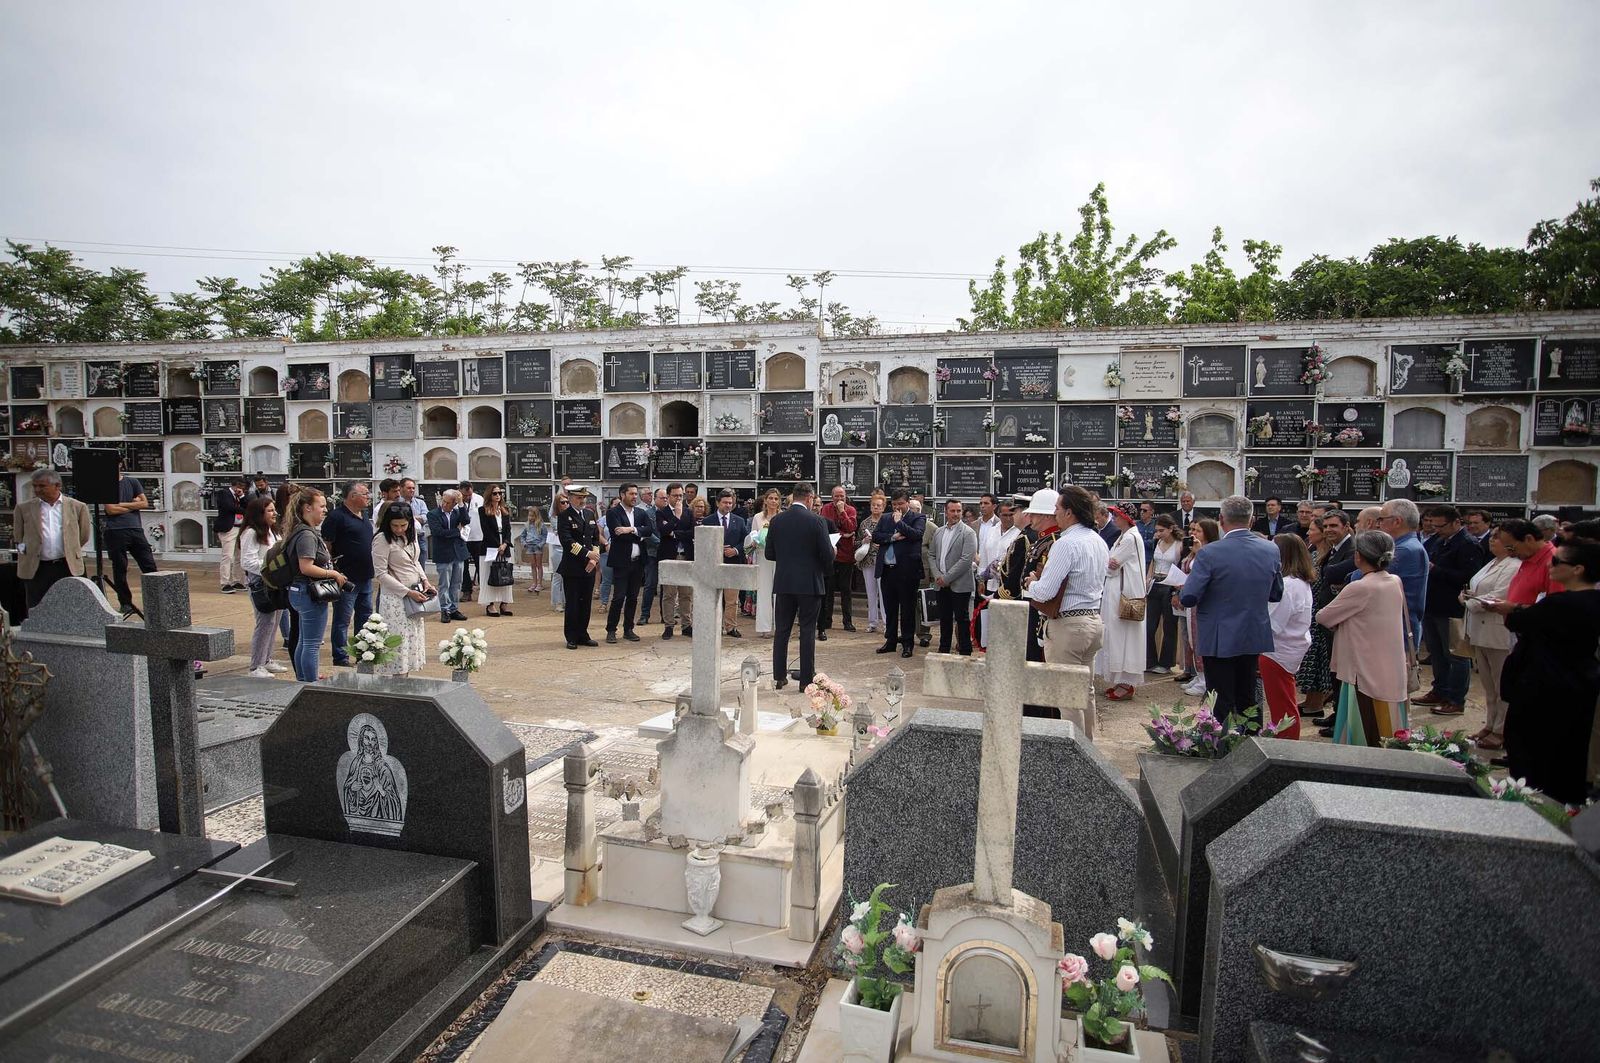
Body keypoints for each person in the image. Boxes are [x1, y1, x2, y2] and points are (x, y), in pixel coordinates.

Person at [1501, 537, 1600, 804]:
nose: (1550, 566)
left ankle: (1536, 805)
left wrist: (1513, 610)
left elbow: (1521, 621)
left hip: (1545, 687)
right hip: (1579, 685)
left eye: (1557, 561)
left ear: (1578, 569)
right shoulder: (1588, 601)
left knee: (1536, 752)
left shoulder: (1562, 605)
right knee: (1568, 751)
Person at [1179, 495, 1284, 723]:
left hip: (1219, 634)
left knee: (1219, 697)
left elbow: (1188, 597)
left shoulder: (1209, 553)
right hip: (1252, 631)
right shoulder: (1271, 550)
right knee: (1248, 696)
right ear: (1252, 520)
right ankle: (1251, 746)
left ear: (1221, 519)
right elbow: (1276, 593)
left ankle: (1218, 746)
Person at [1023, 486, 1108, 730]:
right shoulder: (1098, 540)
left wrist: (1032, 583)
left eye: (1058, 509)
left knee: (1066, 697)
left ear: (1069, 512)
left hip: (1068, 627)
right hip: (1092, 621)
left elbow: (1046, 591)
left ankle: (1075, 756)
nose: (1055, 513)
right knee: (1085, 693)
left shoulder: (1066, 544)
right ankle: (1088, 751)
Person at [1315, 531, 1410, 746]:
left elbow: (1323, 616)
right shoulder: (1394, 580)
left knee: (1365, 724)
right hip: (1389, 663)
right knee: (1389, 721)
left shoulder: (1360, 586)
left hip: (1363, 668)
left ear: (1358, 556)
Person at [1411, 505, 1485, 716]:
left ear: (1456, 523)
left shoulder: (1467, 544)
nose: (1437, 530)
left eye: (1441, 526)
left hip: (1452, 608)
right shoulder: (1438, 540)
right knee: (1436, 653)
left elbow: (1468, 577)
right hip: (1433, 605)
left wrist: (1436, 569)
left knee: (1456, 655)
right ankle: (1439, 690)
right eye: (1433, 526)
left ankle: (1455, 698)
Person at [766, 482, 834, 689]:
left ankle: (779, 676)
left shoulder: (777, 520)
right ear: (809, 498)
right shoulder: (817, 521)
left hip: (785, 582)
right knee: (807, 631)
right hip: (809, 584)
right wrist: (831, 552)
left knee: (782, 630)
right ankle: (805, 680)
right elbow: (827, 554)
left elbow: (769, 554)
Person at [1460, 526, 1520, 752]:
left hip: (1497, 631)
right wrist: (1466, 595)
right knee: (1488, 685)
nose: (1492, 541)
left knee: (1501, 683)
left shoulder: (1513, 566)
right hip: (1479, 630)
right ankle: (1490, 723)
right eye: (1492, 537)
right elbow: (1476, 587)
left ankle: (1501, 730)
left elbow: (1499, 594)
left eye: (1497, 538)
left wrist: (1469, 602)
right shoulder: (1491, 563)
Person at [283, 487, 347, 683]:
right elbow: (306, 567)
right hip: (308, 593)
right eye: (322, 506)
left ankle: (303, 680)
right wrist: (333, 573)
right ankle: (310, 685)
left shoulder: (300, 531)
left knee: (304, 641)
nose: (325, 510)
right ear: (308, 508)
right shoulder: (306, 535)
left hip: (299, 592)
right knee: (311, 644)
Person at [1260, 534, 1315, 738]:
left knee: (1282, 706)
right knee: (1283, 703)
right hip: (1286, 649)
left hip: (1278, 651)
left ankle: (1286, 746)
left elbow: (1273, 623)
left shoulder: (1288, 585)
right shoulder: (1298, 582)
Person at [371, 501, 434, 676]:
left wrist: (425, 581)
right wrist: (408, 592)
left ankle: (404, 680)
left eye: (403, 525)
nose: (399, 529)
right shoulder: (382, 539)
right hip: (395, 598)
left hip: (415, 593)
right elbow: (381, 574)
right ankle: (396, 682)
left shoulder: (410, 536)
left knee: (410, 641)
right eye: (395, 525)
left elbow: (414, 562)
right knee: (398, 641)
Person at [13, 469, 91, 610]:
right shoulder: (23, 508)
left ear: (57, 486)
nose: (37, 490)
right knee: (37, 608)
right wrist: (25, 555)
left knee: (71, 606)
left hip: (67, 566)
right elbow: (18, 538)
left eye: (42, 486)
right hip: (37, 568)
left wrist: (71, 550)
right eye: (35, 486)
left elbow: (84, 535)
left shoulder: (77, 507)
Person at [1298, 514, 1347, 724]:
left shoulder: (1330, 554)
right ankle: (1312, 700)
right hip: (1316, 611)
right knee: (1313, 660)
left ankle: (1317, 703)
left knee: (1319, 661)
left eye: (1312, 529)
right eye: (1324, 526)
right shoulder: (1315, 551)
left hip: (1323, 611)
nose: (1309, 533)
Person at [1096, 505, 1147, 701]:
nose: (1114, 518)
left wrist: (1109, 564)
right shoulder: (1123, 535)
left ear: (1126, 518)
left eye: (1117, 515)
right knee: (1116, 635)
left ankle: (1126, 682)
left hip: (1124, 594)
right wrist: (1109, 563)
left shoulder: (1130, 538)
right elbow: (1110, 563)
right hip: (1116, 591)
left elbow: (1111, 566)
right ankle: (1120, 680)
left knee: (1124, 636)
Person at [323, 481, 376, 666]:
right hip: (345, 577)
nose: (368, 497)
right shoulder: (336, 517)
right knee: (343, 619)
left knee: (365, 617)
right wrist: (333, 571)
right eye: (365, 494)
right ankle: (340, 656)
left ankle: (362, 652)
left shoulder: (364, 515)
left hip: (366, 576)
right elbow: (327, 547)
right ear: (352, 496)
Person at [1369, 498, 1429, 652]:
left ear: (1397, 521)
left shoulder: (1405, 550)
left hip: (1397, 630)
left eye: (1381, 519)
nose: (1378, 525)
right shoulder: (1401, 547)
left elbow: (1366, 577)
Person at [873, 488, 926, 659]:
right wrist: (892, 537)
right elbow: (876, 536)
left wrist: (899, 523)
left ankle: (907, 643)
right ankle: (890, 641)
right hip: (888, 570)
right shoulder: (885, 517)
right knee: (890, 608)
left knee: (907, 609)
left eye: (900, 504)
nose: (897, 507)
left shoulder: (917, 517)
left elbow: (916, 535)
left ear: (907, 502)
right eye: (894, 504)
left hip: (907, 572)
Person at [239, 496, 288, 677]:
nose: (274, 513)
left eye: (274, 509)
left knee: (274, 622)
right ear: (259, 513)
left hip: (276, 583)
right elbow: (247, 561)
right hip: (261, 584)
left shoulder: (273, 531)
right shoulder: (251, 533)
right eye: (269, 510)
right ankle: (256, 665)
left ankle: (266, 659)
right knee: (265, 622)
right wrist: (270, 568)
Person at [102, 460, 158, 617]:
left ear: (120, 464)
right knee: (120, 569)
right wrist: (133, 504)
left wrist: (122, 504)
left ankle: (156, 602)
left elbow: (145, 503)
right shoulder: (106, 484)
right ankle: (125, 603)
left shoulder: (132, 482)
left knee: (149, 566)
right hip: (115, 530)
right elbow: (110, 509)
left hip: (135, 529)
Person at [929, 499, 978, 656]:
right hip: (940, 583)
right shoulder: (939, 532)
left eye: (959, 511)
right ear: (946, 511)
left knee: (962, 619)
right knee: (944, 618)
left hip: (959, 584)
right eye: (953, 511)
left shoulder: (968, 533)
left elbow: (966, 560)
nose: (956, 514)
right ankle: (944, 648)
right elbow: (931, 555)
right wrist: (938, 575)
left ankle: (965, 650)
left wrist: (947, 578)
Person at [1178, 519, 1220, 696]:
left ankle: (1204, 679)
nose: (1194, 533)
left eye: (1199, 531)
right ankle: (1199, 674)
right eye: (1193, 530)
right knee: (1191, 639)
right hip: (1190, 599)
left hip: (1202, 601)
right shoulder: (1194, 551)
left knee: (1199, 638)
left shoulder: (1210, 551)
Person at [557, 485, 602, 649]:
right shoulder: (564, 516)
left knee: (586, 603)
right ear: (570, 498)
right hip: (572, 567)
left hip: (589, 567)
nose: (582, 501)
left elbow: (595, 538)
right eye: (578, 497)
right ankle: (571, 636)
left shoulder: (589, 514)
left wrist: (594, 558)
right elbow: (567, 541)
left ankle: (583, 634)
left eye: (584, 497)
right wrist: (587, 554)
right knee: (573, 603)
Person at [1486, 519, 1562, 615]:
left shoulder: (1553, 563)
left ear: (1529, 539)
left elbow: (1557, 609)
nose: (1510, 554)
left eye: (1511, 548)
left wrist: (1514, 608)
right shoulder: (1528, 557)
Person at [604, 483, 649, 641]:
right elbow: (617, 534)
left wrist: (630, 529)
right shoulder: (613, 513)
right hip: (621, 562)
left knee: (633, 597)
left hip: (638, 562)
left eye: (636, 494)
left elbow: (649, 530)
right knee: (618, 597)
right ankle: (611, 630)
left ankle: (628, 629)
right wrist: (638, 532)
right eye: (631, 494)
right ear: (622, 495)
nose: (634, 497)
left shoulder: (641, 513)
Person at [704, 490, 749, 637]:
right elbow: (702, 542)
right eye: (725, 502)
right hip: (714, 565)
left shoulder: (739, 520)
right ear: (718, 503)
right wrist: (716, 548)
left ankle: (730, 627)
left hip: (733, 563)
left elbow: (746, 541)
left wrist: (736, 550)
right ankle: (713, 626)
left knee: (732, 599)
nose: (728, 505)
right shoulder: (708, 521)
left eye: (730, 503)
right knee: (713, 598)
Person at [657, 483, 697, 639]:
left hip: (686, 556)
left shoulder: (689, 512)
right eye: (675, 495)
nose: (679, 498)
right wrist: (676, 517)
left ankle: (687, 625)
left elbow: (691, 533)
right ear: (668, 496)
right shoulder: (662, 513)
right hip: (669, 556)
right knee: (669, 593)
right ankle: (668, 625)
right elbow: (664, 531)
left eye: (681, 495)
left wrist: (675, 533)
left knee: (686, 593)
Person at [1145, 515, 1182, 675]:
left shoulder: (1179, 545)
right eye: (1157, 531)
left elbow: (1180, 567)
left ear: (1171, 528)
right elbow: (1153, 561)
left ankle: (1166, 663)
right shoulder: (1157, 542)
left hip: (1169, 585)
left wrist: (1176, 591)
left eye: (1162, 530)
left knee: (1169, 626)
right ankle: (1149, 660)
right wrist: (1148, 578)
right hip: (1155, 583)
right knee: (1149, 625)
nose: (1158, 533)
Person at [427, 489, 471, 624]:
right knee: (444, 583)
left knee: (456, 583)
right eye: (443, 501)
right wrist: (457, 532)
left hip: (458, 552)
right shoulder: (433, 514)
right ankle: (444, 609)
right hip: (443, 553)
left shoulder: (457, 512)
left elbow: (466, 521)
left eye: (449, 502)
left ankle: (454, 608)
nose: (445, 505)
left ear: (454, 503)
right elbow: (438, 532)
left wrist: (461, 504)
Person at [820, 485, 858, 634]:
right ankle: (826, 620)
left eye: (842, 496)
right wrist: (843, 535)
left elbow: (851, 527)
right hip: (830, 555)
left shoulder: (851, 510)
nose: (839, 499)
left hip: (846, 556)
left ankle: (847, 621)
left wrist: (842, 512)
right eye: (837, 496)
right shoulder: (826, 509)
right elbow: (826, 529)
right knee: (828, 591)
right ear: (832, 497)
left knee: (846, 590)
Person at [748, 488, 782, 637]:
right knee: (764, 592)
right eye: (771, 498)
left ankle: (780, 627)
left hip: (780, 557)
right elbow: (753, 535)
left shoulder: (783, 516)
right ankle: (764, 628)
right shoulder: (758, 517)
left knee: (780, 593)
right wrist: (755, 540)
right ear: (765, 500)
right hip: (763, 555)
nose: (773, 501)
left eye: (776, 498)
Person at [478, 486, 515, 618]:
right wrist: (497, 545)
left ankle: (504, 603)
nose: (498, 496)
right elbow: (486, 530)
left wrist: (505, 544)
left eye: (500, 493)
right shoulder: (483, 510)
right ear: (490, 495)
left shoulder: (505, 510)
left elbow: (508, 530)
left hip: (504, 546)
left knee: (505, 573)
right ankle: (490, 604)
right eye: (495, 493)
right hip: (490, 547)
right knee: (490, 573)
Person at [856, 490, 887, 634]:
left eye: (879, 505)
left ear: (883, 507)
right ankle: (872, 622)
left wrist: (883, 543)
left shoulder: (888, 521)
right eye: (874, 505)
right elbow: (856, 542)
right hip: (868, 561)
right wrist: (864, 541)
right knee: (871, 593)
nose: (876, 507)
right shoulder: (864, 523)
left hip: (884, 561)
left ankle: (887, 623)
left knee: (885, 593)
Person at [213, 476, 248, 592]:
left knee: (239, 556)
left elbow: (248, 505)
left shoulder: (241, 496)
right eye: (241, 487)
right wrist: (244, 511)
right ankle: (225, 583)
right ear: (236, 485)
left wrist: (242, 496)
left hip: (240, 527)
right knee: (228, 556)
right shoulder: (224, 493)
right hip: (229, 528)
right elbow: (229, 507)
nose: (242, 489)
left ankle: (237, 580)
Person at [459, 481, 485, 597]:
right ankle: (466, 590)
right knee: (463, 566)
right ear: (460, 492)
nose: (468, 497)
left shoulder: (480, 499)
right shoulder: (456, 502)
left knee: (480, 565)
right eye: (465, 495)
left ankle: (484, 590)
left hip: (479, 537)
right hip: (463, 538)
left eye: (469, 494)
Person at [520, 506, 549, 594]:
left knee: (539, 565)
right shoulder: (527, 525)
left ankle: (539, 583)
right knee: (533, 565)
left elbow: (545, 536)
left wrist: (540, 544)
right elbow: (522, 535)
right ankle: (534, 582)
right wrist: (524, 543)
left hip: (538, 546)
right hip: (529, 546)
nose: (530, 518)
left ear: (536, 516)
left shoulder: (541, 525)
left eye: (532, 516)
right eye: (529, 516)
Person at [402, 478, 430, 564]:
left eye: (413, 488)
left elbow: (426, 517)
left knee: (421, 563)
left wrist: (410, 517)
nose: (412, 490)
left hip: (419, 536)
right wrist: (418, 518)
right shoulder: (397, 503)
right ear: (402, 488)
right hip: (403, 537)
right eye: (409, 488)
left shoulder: (420, 503)